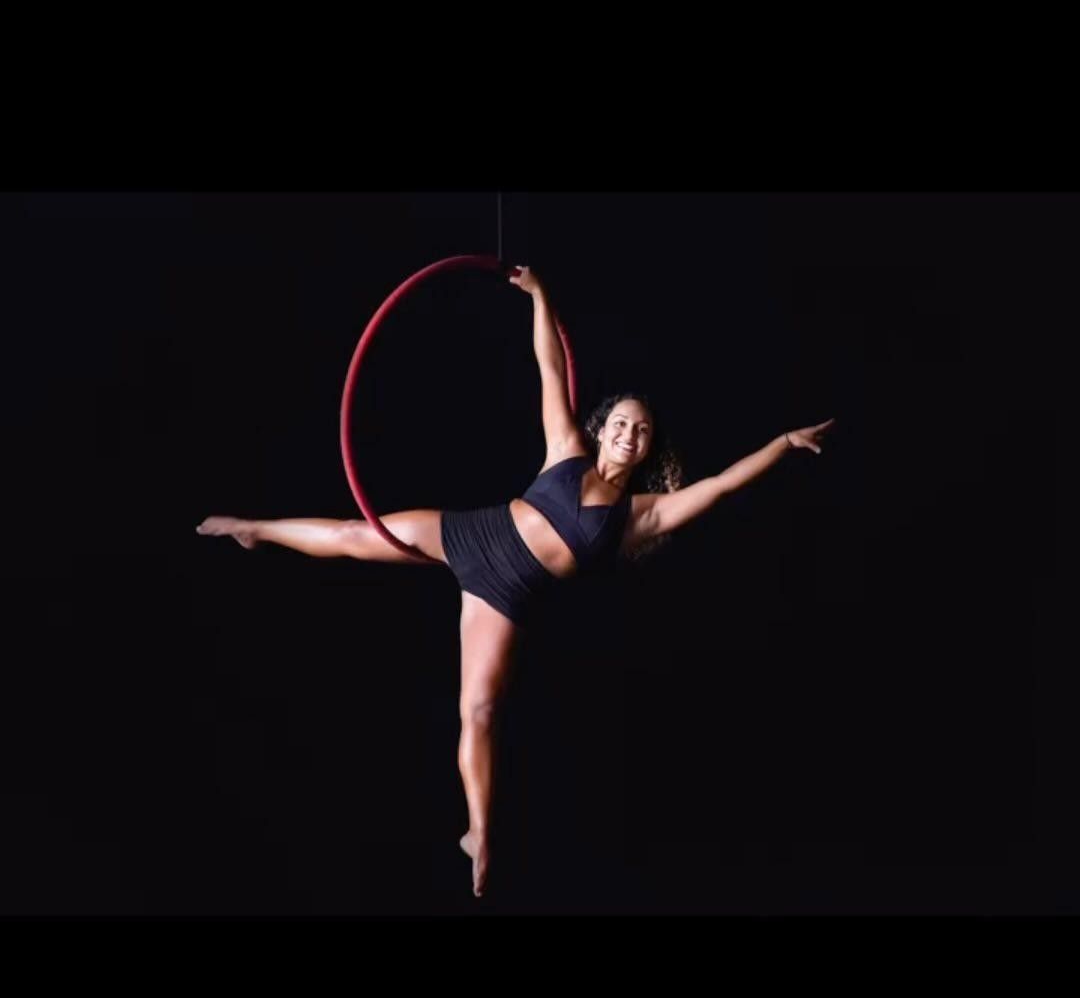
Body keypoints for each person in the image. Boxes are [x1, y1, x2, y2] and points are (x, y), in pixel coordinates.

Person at [197, 264, 833, 897]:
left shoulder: (643, 516)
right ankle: (256, 527)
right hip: (476, 534)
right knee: (349, 537)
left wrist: (781, 442)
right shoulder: (566, 449)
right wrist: (540, 295)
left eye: (640, 431)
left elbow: (720, 487)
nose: (628, 434)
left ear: (646, 448)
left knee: (479, 710)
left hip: (505, 592)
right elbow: (549, 366)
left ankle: (479, 832)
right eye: (620, 423)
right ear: (603, 426)